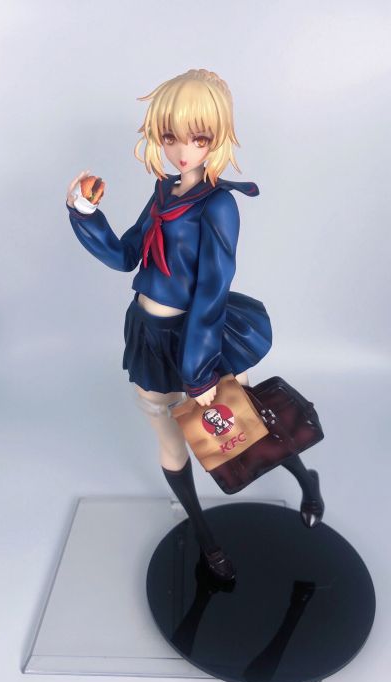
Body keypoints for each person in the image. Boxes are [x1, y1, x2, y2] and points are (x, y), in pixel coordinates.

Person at [65, 69, 321, 583]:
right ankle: (206, 539)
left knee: (244, 431)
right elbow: (126, 256)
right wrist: (86, 213)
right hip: (147, 336)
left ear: (218, 137)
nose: (183, 151)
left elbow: (213, 286)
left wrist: (200, 370)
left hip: (200, 338)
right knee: (170, 440)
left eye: (198, 138)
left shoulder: (220, 204)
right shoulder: (162, 192)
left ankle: (306, 479)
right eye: (171, 137)